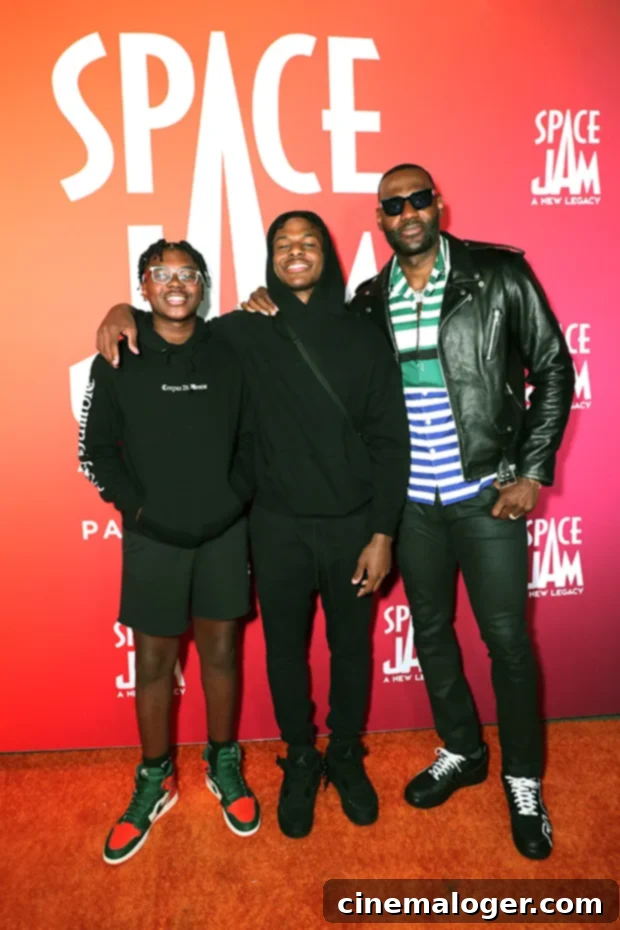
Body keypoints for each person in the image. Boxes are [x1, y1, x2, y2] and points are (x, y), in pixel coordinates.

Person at [240, 166, 574, 860]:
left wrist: (533, 470)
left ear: (438, 204)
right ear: (380, 220)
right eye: (393, 205)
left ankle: (520, 779)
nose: (408, 212)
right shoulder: (369, 301)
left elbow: (552, 365)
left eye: (419, 198)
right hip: (412, 503)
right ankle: (461, 749)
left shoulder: (497, 275)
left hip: (486, 494)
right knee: (431, 632)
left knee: (507, 642)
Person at [95, 212, 410, 840]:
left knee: (350, 650)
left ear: (328, 254)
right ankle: (299, 757)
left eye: (309, 242)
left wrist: (383, 532)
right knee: (284, 653)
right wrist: (116, 310)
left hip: (352, 527)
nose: (296, 253)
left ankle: (344, 753)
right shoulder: (240, 331)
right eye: (283, 244)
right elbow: (170, 325)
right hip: (274, 527)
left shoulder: (365, 334)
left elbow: (389, 439)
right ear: (269, 259)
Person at [80, 239, 260, 865]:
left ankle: (223, 761)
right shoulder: (117, 354)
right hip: (153, 537)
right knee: (153, 664)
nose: (176, 283)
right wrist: (140, 510)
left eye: (189, 274)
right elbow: (94, 451)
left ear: (203, 285)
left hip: (223, 533)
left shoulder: (231, 348)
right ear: (144, 284)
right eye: (163, 274)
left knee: (220, 655)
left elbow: (254, 437)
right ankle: (154, 778)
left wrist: (234, 498)